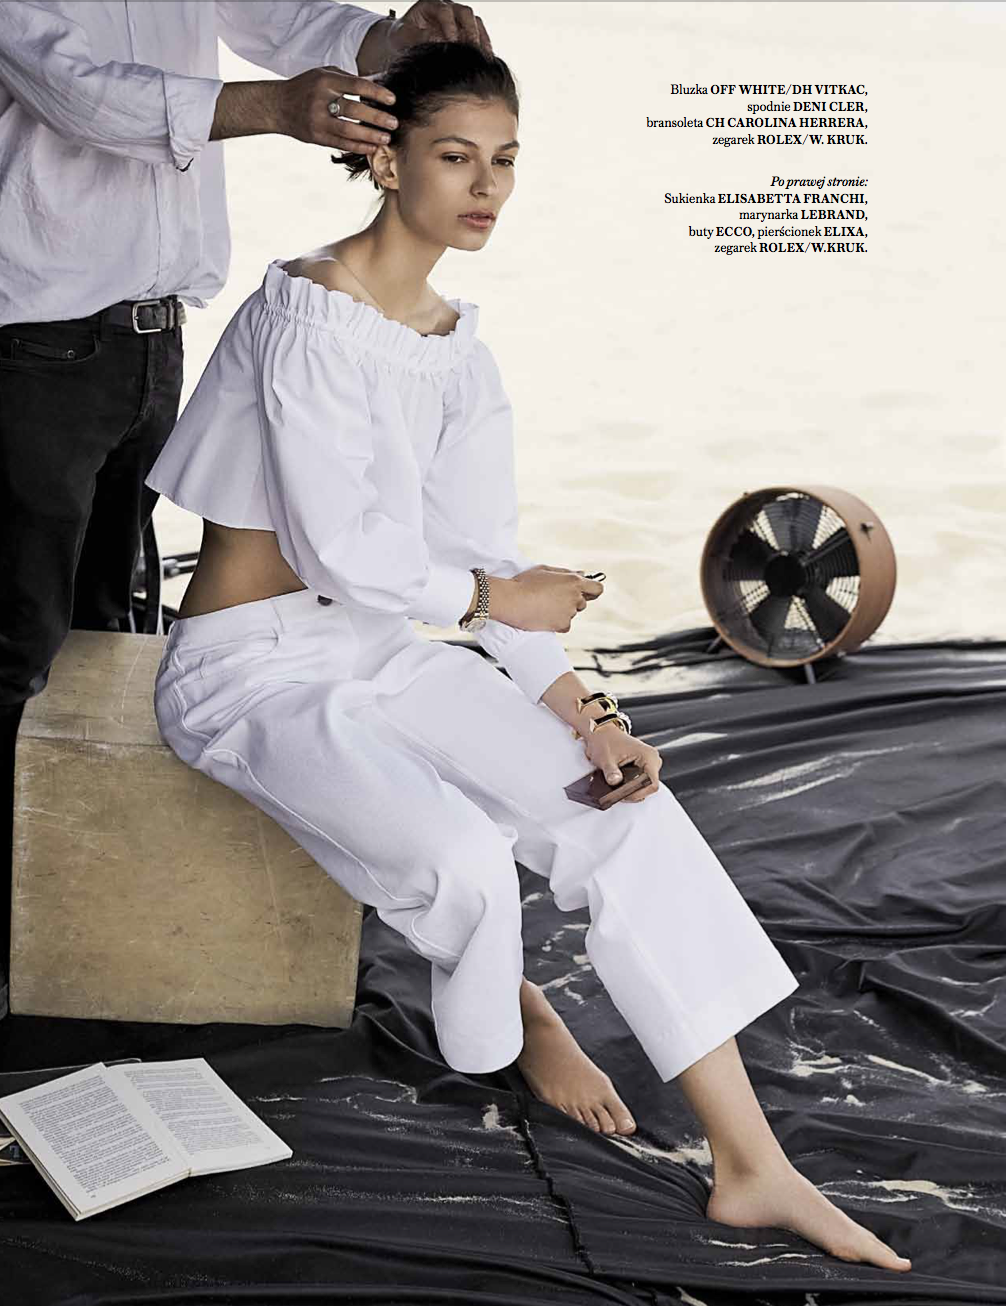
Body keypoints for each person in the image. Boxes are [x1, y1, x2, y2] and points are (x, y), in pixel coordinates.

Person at [143, 38, 913, 1274]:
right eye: (456, 156)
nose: (486, 186)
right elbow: (344, 547)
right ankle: (519, 1001)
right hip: (248, 672)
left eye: (504, 161)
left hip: (381, 651)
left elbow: (484, 566)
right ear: (383, 159)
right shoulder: (305, 309)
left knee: (623, 814)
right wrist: (499, 595)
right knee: (462, 860)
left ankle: (752, 1164)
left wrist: (585, 712)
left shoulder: (458, 350)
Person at [0, 0, 491, 1021]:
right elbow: (76, 92)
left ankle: (73, 923)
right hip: (32, 342)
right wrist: (277, 108)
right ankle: (6, 957)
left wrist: (389, 44)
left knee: (106, 636)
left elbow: (276, 13)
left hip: (151, 337)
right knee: (13, 649)